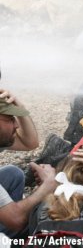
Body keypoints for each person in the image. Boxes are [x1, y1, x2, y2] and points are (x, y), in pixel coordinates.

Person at [0, 90, 57, 238]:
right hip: (15, 219)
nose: (17, 125)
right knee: (21, 221)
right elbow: (16, 219)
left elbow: (30, 142)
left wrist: (21, 108)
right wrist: (47, 186)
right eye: (10, 118)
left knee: (13, 174)